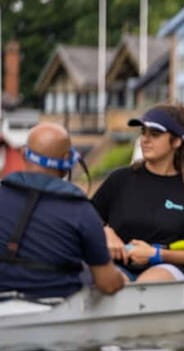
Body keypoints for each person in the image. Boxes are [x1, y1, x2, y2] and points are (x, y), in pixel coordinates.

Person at [92, 104, 184, 282]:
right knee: (112, 283)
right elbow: (88, 216)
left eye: (155, 134)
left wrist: (156, 254)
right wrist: (106, 233)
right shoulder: (120, 179)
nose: (145, 139)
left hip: (168, 267)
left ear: (177, 142)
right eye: (143, 132)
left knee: (144, 288)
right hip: (118, 266)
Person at [0, 122, 125, 298]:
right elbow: (108, 285)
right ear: (68, 160)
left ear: (23, 154)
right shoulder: (81, 210)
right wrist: (120, 277)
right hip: (53, 304)